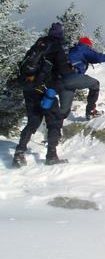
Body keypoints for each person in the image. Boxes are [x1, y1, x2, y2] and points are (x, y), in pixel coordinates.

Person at [13, 22, 75, 167]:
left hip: (29, 87)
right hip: (45, 89)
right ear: (60, 34)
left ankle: (19, 153)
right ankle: (51, 155)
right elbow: (65, 71)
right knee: (54, 120)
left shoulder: (39, 43)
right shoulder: (57, 47)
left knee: (33, 121)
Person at [60, 37, 105, 120]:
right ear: (88, 45)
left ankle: (51, 125)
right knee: (95, 84)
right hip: (73, 78)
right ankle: (90, 112)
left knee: (63, 111)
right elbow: (98, 58)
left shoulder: (72, 50)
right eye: (90, 46)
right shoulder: (83, 49)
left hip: (63, 80)